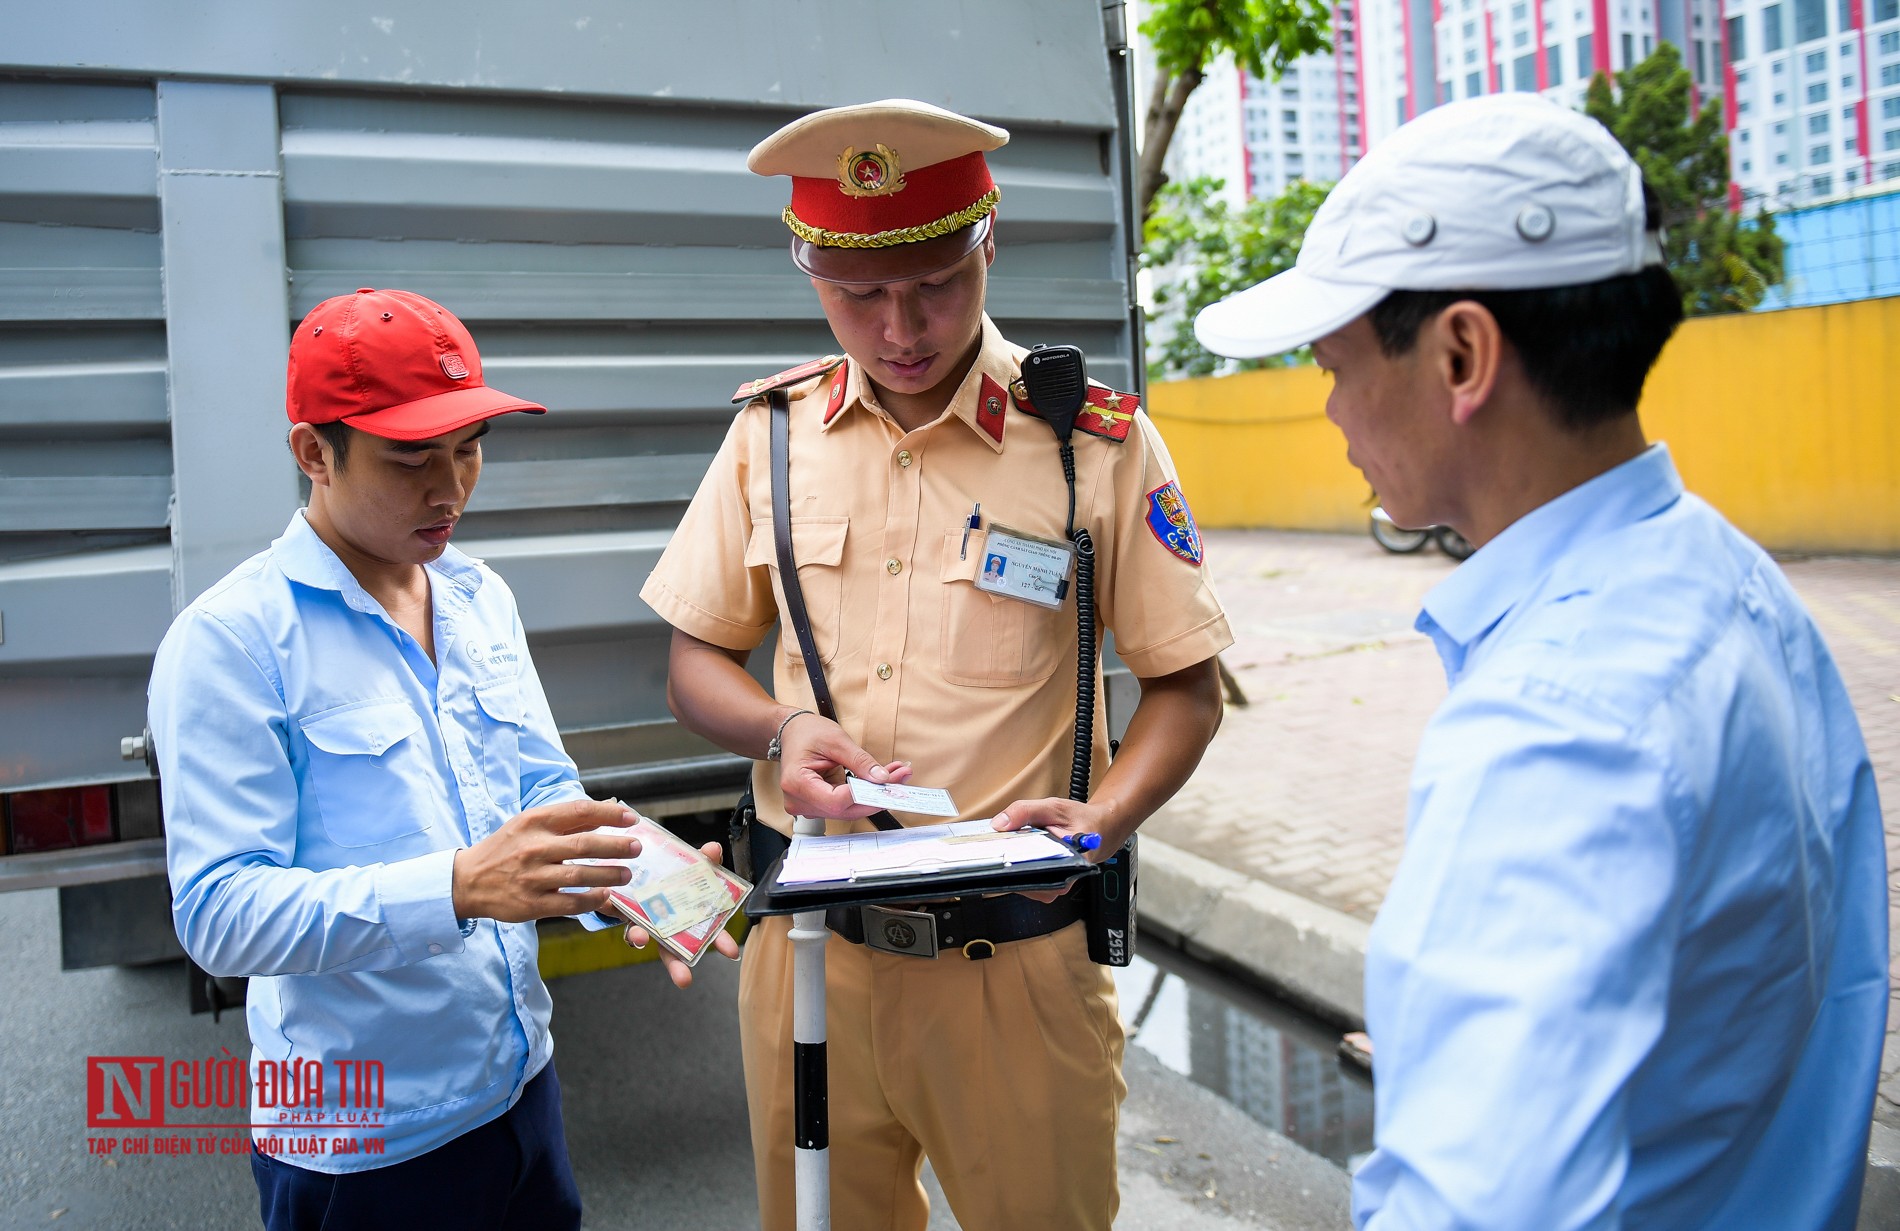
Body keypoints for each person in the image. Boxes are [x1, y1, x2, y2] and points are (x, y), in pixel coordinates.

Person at [1197, 94, 1887, 1229]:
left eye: (1332, 362)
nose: (1329, 410)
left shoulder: (1558, 723)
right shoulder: (1730, 579)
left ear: (1462, 352)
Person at [639, 99, 1232, 1230]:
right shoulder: (771, 435)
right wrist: (779, 731)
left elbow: (1185, 686)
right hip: (807, 957)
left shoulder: (1089, 443)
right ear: (809, 270)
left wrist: (1100, 820)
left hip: (1013, 966)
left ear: (987, 245)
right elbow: (695, 658)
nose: (899, 326)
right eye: (858, 295)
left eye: (935, 285)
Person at [150, 288, 734, 1231]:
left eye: (468, 449)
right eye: (410, 458)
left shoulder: (475, 595)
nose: (450, 488)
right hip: (359, 1143)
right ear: (313, 452)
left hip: (520, 1092)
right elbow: (220, 913)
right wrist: (457, 885)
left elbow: (543, 791)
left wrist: (650, 880)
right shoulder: (231, 642)